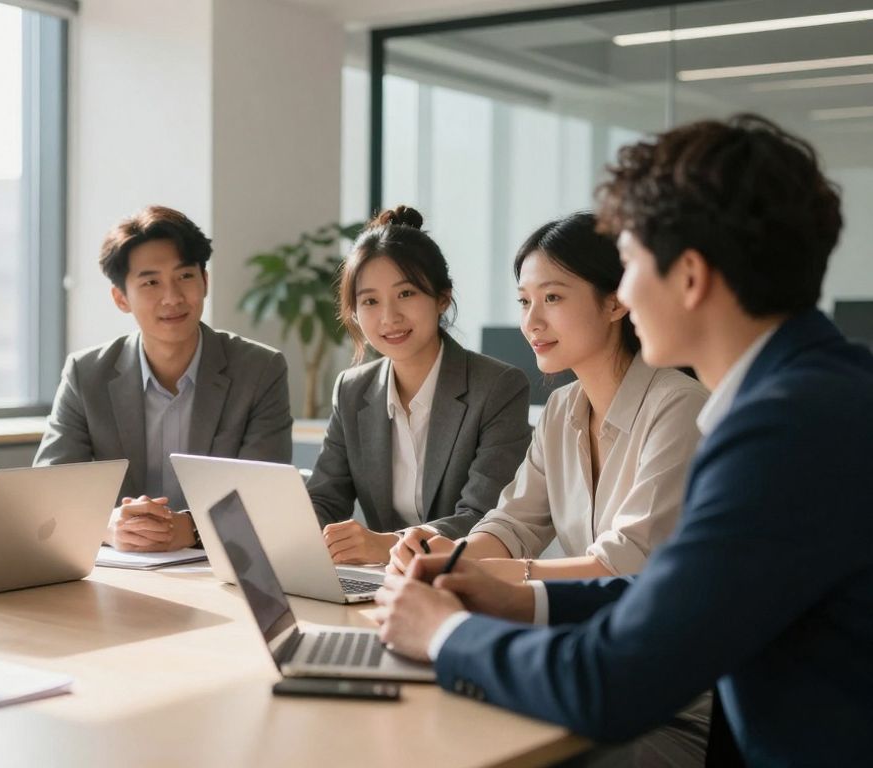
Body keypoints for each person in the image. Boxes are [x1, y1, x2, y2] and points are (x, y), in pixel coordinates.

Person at [375, 114, 873, 766]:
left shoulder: (784, 426)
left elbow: (610, 680)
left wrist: (447, 634)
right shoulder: (817, 393)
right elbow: (680, 588)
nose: (625, 293)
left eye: (632, 263)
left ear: (689, 277)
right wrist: (513, 596)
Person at [394, 211, 709, 582]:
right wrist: (445, 555)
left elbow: (628, 561)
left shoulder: (680, 407)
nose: (531, 322)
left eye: (553, 297)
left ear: (615, 303)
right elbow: (513, 524)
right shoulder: (561, 409)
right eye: (525, 302)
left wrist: (488, 573)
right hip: (585, 622)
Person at [34, 205, 293, 552]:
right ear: (121, 298)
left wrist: (191, 530)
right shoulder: (86, 374)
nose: (172, 297)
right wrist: (105, 526)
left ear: (205, 281)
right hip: (121, 571)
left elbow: (264, 496)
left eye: (185, 276)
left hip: (222, 566)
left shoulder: (260, 370)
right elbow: (50, 490)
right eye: (151, 282)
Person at [307, 205, 532, 565]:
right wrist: (302, 539)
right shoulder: (352, 390)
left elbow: (484, 517)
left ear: (442, 297)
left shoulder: (498, 387)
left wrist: (387, 546)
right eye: (370, 301)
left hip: (465, 580)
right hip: (379, 582)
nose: (389, 317)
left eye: (406, 294)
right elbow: (324, 500)